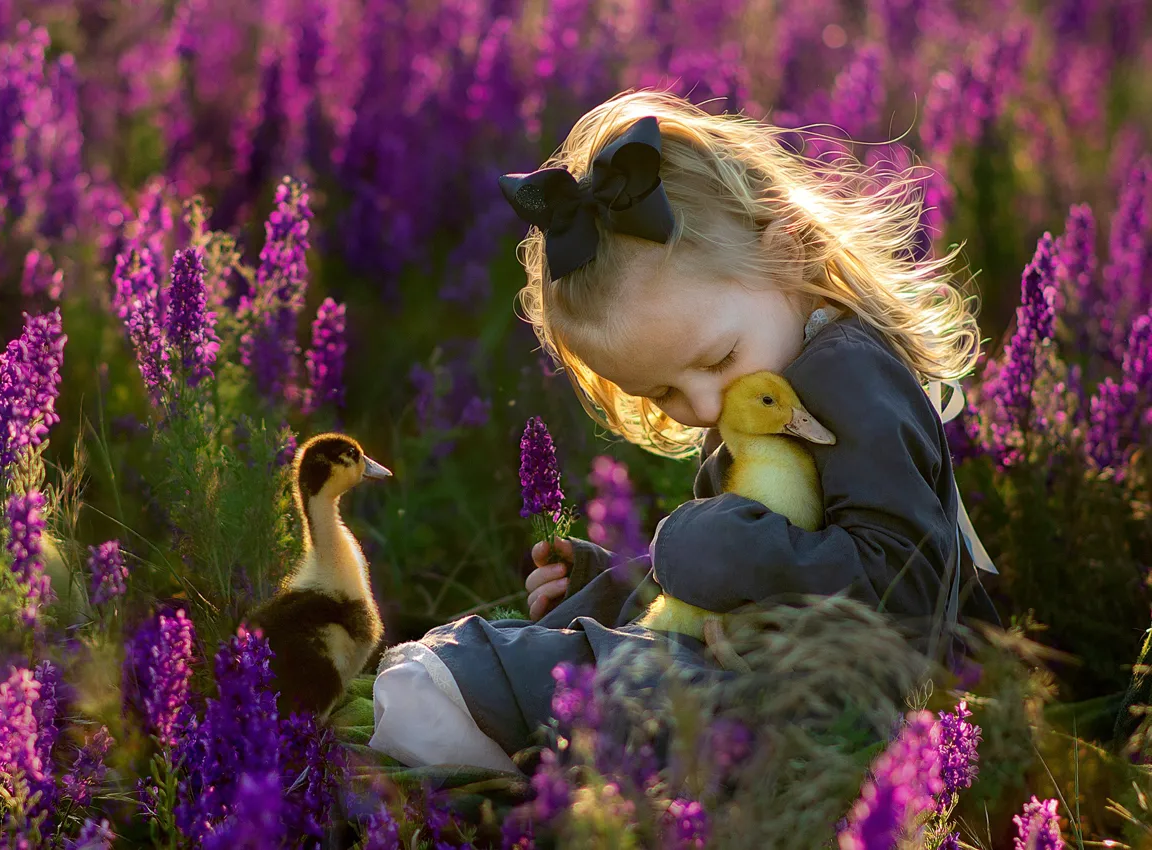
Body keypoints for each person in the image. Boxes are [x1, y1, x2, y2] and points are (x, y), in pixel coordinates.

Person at [366, 88, 1002, 774]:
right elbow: (757, 565)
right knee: (637, 636)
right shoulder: (769, 378)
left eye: (717, 360)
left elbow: (902, 583)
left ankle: (491, 702)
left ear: (788, 253)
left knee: (651, 683)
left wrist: (712, 548)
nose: (701, 405)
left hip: (887, 703)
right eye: (663, 392)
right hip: (791, 672)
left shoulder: (849, 374)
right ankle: (494, 697)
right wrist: (616, 577)